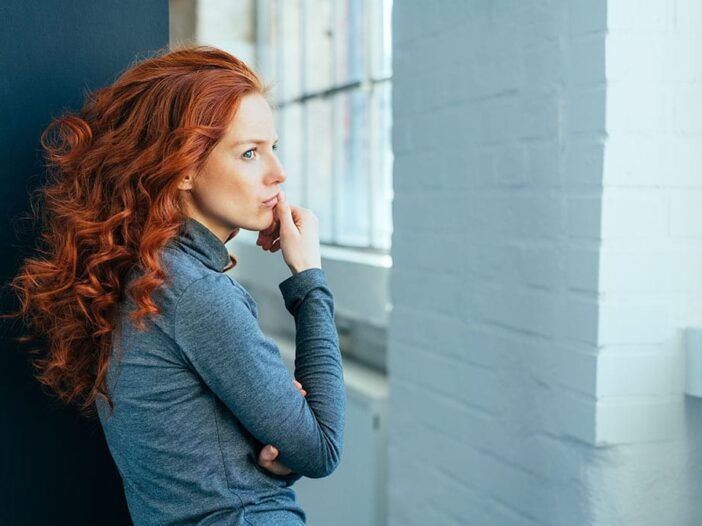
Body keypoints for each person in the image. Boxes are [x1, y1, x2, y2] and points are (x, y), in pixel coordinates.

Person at [2, 45, 346, 525]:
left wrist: (276, 456)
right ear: (183, 166)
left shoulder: (145, 271)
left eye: (273, 148)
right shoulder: (193, 292)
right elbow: (322, 447)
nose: (277, 173)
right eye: (249, 153)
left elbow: (207, 464)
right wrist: (308, 278)